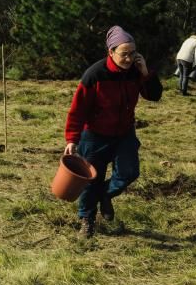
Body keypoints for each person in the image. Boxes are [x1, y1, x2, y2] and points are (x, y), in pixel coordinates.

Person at [64, 26, 162, 237]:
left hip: (124, 134)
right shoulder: (95, 75)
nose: (129, 58)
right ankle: (87, 220)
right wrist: (72, 139)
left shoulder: (136, 72)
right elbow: (77, 110)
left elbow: (154, 95)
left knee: (129, 172)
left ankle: (105, 195)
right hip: (94, 136)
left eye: (133, 53)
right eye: (124, 54)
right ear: (111, 52)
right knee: (91, 180)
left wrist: (146, 73)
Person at [174, 32, 196, 96]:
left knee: (181, 75)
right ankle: (184, 92)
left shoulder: (188, 39)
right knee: (185, 76)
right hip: (187, 59)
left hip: (179, 57)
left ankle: (180, 90)